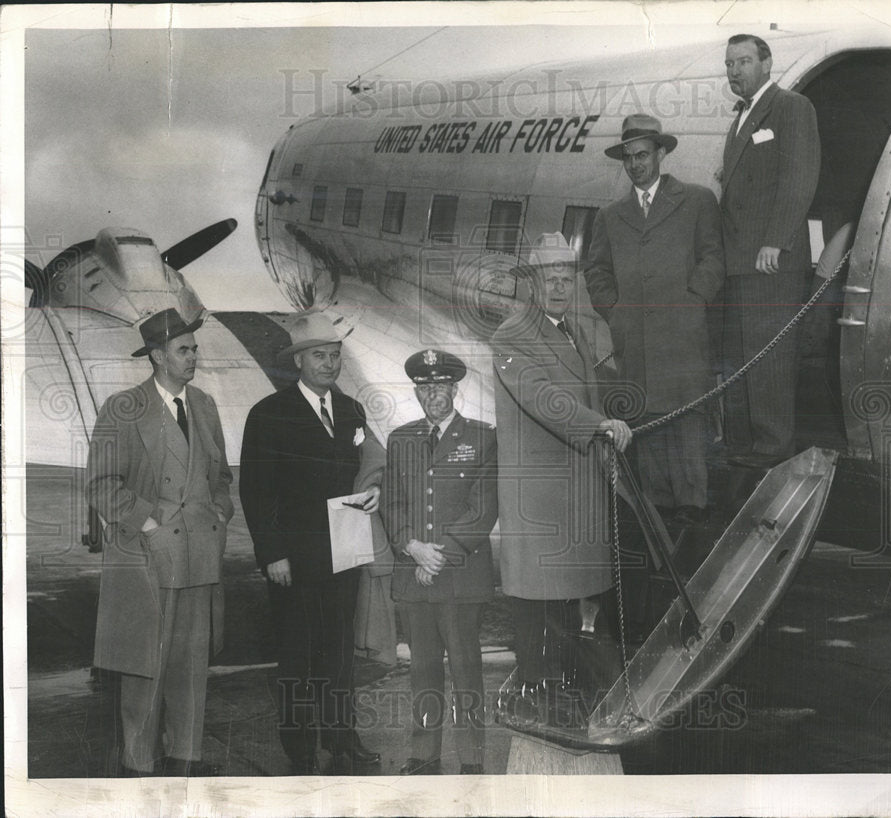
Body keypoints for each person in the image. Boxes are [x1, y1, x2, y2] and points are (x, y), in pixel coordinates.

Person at [86, 307, 232, 777]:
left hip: (200, 558)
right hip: (149, 561)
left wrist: (220, 513)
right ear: (157, 356)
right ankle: (139, 765)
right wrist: (146, 522)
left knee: (191, 668)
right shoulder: (122, 407)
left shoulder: (205, 405)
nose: (194, 357)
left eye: (194, 349)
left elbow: (222, 477)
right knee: (146, 667)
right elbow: (102, 483)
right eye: (184, 350)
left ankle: (186, 758)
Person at [491, 234, 632, 723]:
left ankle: (566, 708)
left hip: (576, 492)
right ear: (530, 283)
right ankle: (540, 708)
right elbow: (542, 397)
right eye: (547, 279)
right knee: (541, 612)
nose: (557, 287)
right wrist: (598, 426)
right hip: (543, 502)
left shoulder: (573, 328)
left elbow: (589, 390)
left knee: (570, 612)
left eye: (564, 278)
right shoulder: (511, 335)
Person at [239, 310, 382, 775]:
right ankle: (299, 747)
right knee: (297, 653)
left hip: (344, 550)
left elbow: (367, 466)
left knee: (339, 654)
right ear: (299, 361)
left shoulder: (351, 411)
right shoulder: (268, 414)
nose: (330, 364)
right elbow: (256, 491)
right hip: (294, 559)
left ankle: (343, 739)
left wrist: (375, 487)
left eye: (335, 355)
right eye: (320, 355)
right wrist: (273, 553)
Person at [585, 113, 725, 527]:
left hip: (683, 340)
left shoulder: (697, 201)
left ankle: (692, 510)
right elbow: (596, 272)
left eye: (643, 155)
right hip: (637, 342)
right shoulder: (611, 216)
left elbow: (714, 257)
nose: (635, 165)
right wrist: (615, 312)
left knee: (686, 421)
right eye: (628, 157)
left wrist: (693, 300)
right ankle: (659, 513)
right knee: (646, 423)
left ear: (661, 153)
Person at [384, 349, 498, 775]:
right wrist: (411, 547)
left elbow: (482, 509)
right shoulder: (401, 439)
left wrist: (438, 556)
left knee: (467, 670)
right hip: (413, 573)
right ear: (417, 391)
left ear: (454, 388)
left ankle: (471, 757)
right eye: (426, 387)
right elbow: (392, 504)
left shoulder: (482, 438)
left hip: (460, 578)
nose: (434, 394)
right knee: (423, 669)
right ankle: (424, 753)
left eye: (441, 386)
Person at [720, 33, 821, 468]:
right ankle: (744, 445)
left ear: (767, 63)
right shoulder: (741, 116)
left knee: (769, 358)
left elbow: (800, 177)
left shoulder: (790, 107)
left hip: (769, 260)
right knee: (742, 355)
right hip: (739, 260)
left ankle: (771, 449)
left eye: (743, 61)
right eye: (729, 64)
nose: (735, 70)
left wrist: (775, 241)